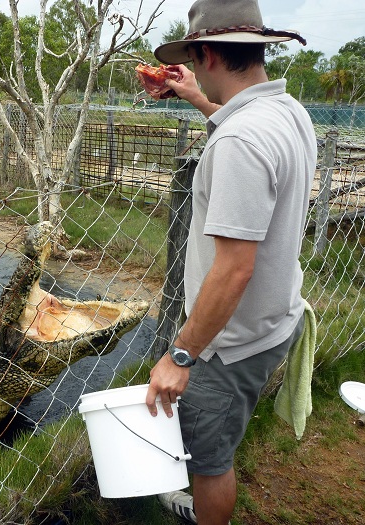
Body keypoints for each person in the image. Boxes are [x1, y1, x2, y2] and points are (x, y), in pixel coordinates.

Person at [143, 1, 317, 524]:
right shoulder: (286, 111)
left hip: (229, 344)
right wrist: (197, 98)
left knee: (211, 461)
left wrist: (180, 357)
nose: (194, 70)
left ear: (209, 53)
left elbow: (234, 268)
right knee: (221, 440)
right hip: (272, 320)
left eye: (195, 60)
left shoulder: (240, 140)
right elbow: (243, 135)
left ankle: (206, 510)